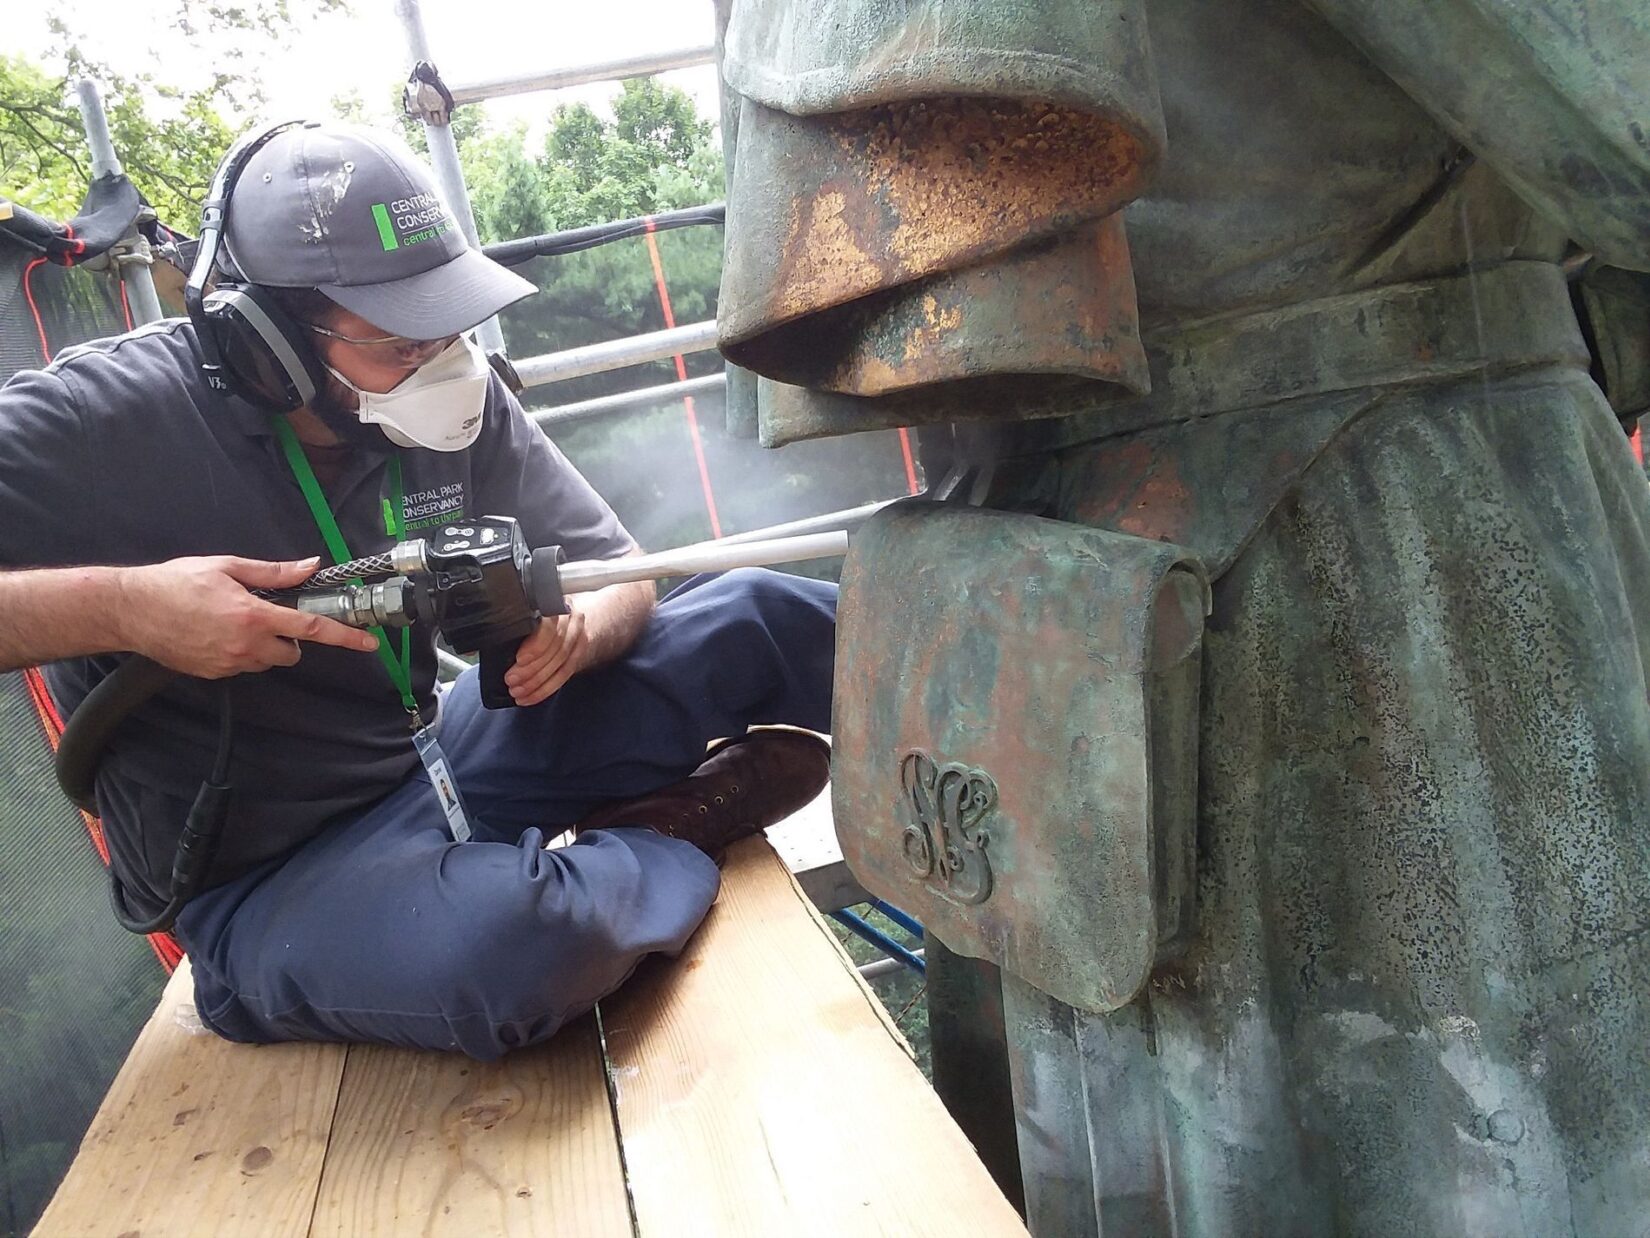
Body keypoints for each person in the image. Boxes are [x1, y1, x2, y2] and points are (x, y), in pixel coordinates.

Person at [0, 120, 838, 1059]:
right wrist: (126, 611)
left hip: (438, 754)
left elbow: (619, 571)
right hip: (279, 881)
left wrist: (585, 629)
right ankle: (657, 835)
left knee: (756, 610)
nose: (442, 363)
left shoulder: (453, 395)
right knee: (522, 947)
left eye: (452, 325)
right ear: (263, 337)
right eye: (401, 342)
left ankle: (1015, 741)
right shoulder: (99, 420)